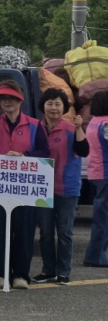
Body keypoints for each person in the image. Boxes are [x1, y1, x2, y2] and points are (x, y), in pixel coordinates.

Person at [0, 80, 50, 290]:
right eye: (3, 99)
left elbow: (44, 151)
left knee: (24, 231)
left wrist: (24, 156)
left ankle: (21, 274)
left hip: (26, 189)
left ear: (20, 100)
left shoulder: (34, 124)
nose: (7, 102)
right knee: (0, 232)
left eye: (12, 98)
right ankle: (1, 274)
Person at [32, 88, 88, 286]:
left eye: (58, 104)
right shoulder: (35, 128)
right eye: (50, 103)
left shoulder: (71, 128)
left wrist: (79, 128)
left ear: (64, 107)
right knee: (45, 233)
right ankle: (48, 270)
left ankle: (63, 272)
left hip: (67, 188)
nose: (53, 108)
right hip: (41, 189)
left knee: (65, 232)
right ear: (43, 106)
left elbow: (84, 150)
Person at [83, 91, 108, 267]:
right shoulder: (106, 124)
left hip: (95, 172)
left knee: (102, 216)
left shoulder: (94, 122)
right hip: (105, 173)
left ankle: (97, 254)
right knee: (102, 218)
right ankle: (95, 255)